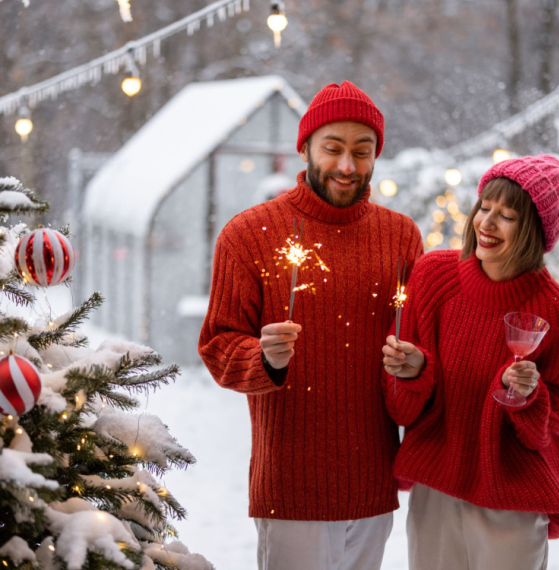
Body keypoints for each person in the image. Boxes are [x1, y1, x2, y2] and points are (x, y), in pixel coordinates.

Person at [199, 81, 423, 570]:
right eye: (333, 148)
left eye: (362, 152)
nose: (347, 166)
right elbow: (217, 344)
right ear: (304, 147)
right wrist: (263, 359)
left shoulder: (401, 236)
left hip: (372, 480)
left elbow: (419, 338)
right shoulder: (248, 234)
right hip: (292, 485)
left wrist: (414, 363)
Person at [382, 154, 559, 570]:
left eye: (507, 216)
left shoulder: (557, 312)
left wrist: (527, 396)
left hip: (513, 500)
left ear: (536, 231)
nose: (485, 223)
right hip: (438, 484)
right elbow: (400, 405)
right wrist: (414, 372)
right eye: (484, 207)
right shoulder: (434, 277)